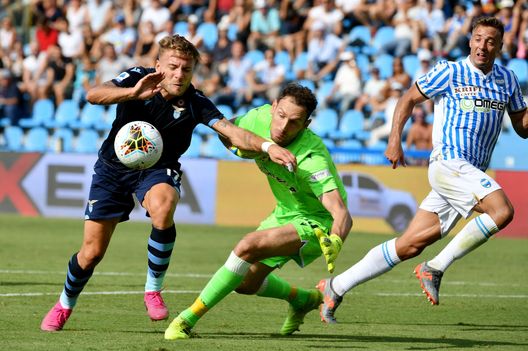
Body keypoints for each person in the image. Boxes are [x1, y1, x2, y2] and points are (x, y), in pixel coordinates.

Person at [40, 34, 297, 332]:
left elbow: (230, 130)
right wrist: (133, 94)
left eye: (186, 69)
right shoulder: (137, 77)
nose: (179, 74)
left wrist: (267, 147)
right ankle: (64, 304)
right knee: (91, 253)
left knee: (163, 206)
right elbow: (93, 94)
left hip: (157, 169)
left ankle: (153, 290)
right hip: (111, 169)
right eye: (173, 67)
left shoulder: (196, 102)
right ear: (158, 64)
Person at [317, 16, 527, 323]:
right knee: (502, 211)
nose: (483, 45)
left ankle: (335, 286)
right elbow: (408, 98)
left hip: (468, 173)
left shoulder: (507, 80)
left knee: (410, 244)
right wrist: (394, 140)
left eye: (491, 41)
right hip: (448, 163)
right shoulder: (450, 71)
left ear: (500, 46)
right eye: (478, 38)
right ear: (470, 41)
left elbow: (522, 127)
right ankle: (435, 267)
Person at [164, 83, 352, 340]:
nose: (283, 127)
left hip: (318, 223)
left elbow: (340, 212)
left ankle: (186, 320)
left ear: (306, 125)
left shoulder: (310, 157)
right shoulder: (258, 117)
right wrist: (243, 150)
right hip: (284, 213)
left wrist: (337, 240)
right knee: (244, 283)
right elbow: (225, 129)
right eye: (281, 116)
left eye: (294, 122)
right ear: (273, 107)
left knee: (247, 245)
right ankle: (304, 299)